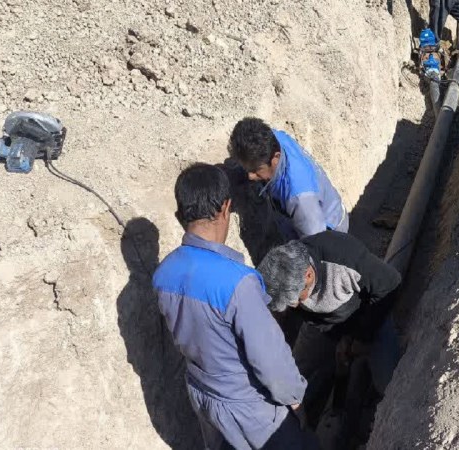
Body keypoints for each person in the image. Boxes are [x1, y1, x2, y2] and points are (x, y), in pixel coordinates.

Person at [152, 163, 317, 450]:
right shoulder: (238, 283)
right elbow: (270, 360)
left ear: (180, 215)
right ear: (226, 208)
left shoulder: (163, 274)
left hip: (203, 398)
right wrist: (295, 398)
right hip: (249, 408)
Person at [257, 231, 402, 428]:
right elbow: (303, 314)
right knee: (295, 373)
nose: (294, 306)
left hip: (369, 316)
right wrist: (337, 337)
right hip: (323, 323)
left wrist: (362, 338)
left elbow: (391, 284)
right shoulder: (284, 272)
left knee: (388, 383)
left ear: (308, 275)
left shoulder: (343, 258)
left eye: (296, 299)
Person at [228, 117, 349, 240]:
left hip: (329, 230)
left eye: (256, 169)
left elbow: (317, 243)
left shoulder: (301, 199)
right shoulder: (271, 138)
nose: (250, 176)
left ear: (276, 158)